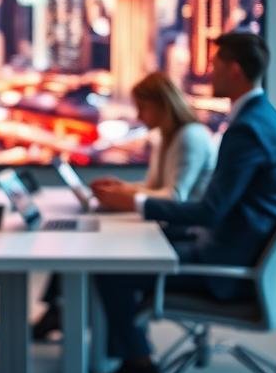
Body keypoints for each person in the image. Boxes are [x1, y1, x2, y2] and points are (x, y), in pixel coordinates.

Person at [92, 33, 276, 373]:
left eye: (215, 65)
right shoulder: (268, 119)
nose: (209, 72)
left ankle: (137, 362)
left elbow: (211, 211)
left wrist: (135, 203)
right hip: (238, 247)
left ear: (234, 70)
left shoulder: (247, 130)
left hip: (226, 267)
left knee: (111, 270)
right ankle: (127, 351)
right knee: (131, 249)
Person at [32, 72, 216, 340]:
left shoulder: (190, 137)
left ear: (162, 105)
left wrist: (127, 197)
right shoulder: (166, 137)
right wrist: (122, 188)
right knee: (84, 242)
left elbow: (175, 197)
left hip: (181, 229)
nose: (139, 116)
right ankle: (60, 311)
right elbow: (154, 187)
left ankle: (124, 347)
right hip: (165, 223)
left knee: (103, 258)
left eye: (143, 108)